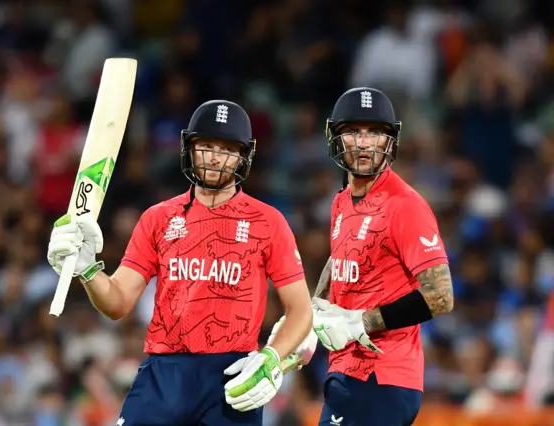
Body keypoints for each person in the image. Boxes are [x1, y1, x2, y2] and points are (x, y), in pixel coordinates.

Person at [47, 99, 314, 426]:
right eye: (206, 146)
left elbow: (301, 310)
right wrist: (89, 269)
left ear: (244, 155)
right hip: (164, 374)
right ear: (189, 147)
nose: (215, 157)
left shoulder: (268, 221)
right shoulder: (158, 218)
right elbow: (117, 303)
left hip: (231, 375)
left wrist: (271, 358)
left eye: (227, 148)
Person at [309, 87, 455, 426]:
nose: (363, 142)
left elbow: (442, 296)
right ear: (335, 138)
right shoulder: (341, 202)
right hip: (348, 371)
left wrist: (360, 322)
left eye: (375, 132)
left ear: (391, 141)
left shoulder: (405, 204)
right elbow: (342, 260)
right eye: (354, 132)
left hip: (383, 374)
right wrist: (310, 314)